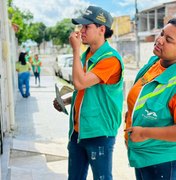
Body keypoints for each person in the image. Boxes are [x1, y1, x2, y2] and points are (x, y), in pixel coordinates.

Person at [53, 5, 124, 180]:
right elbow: (86, 91)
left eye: (86, 27)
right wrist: (67, 100)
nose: (81, 31)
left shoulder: (110, 59)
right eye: (81, 26)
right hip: (79, 132)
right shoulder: (86, 57)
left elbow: (80, 83)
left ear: (101, 29)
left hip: (99, 133)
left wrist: (76, 49)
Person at [125, 18, 176, 180]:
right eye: (162, 33)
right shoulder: (154, 63)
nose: (160, 40)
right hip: (141, 156)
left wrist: (144, 133)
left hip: (163, 161)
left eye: (169, 40)